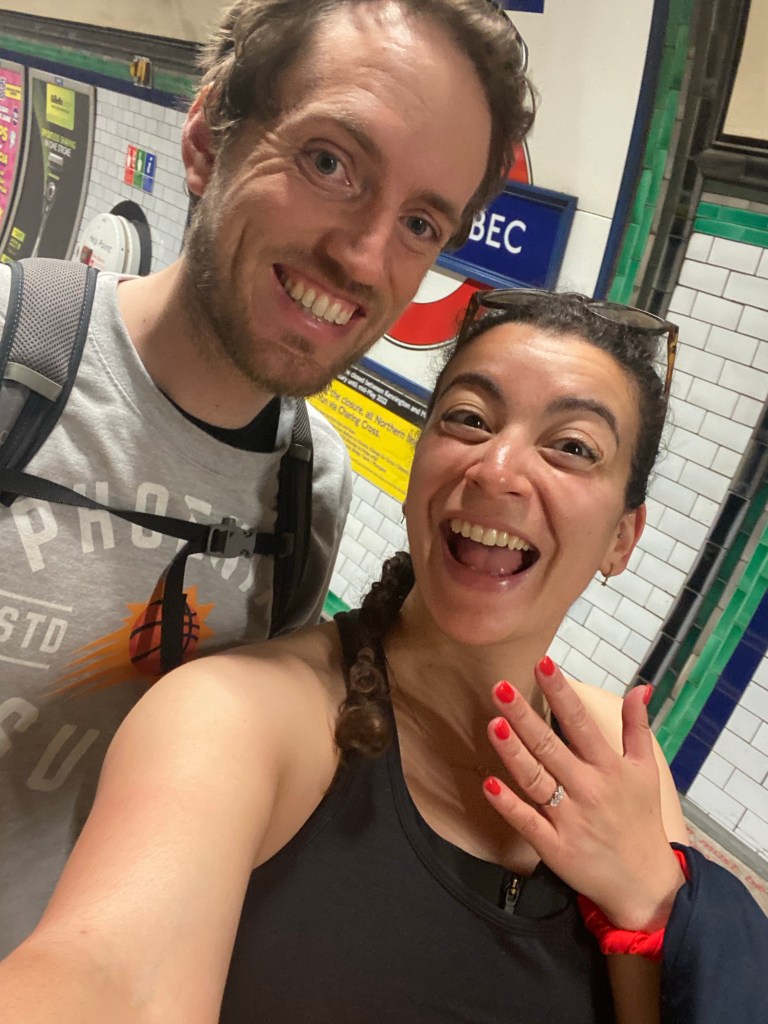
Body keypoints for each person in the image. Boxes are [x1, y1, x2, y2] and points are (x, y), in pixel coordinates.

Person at [3, 288, 767, 1023]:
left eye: (571, 447)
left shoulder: (620, 759)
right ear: (415, 473)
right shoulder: (243, 718)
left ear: (621, 539)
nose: (497, 470)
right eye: (469, 419)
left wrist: (653, 904)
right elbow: (109, 975)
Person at [0, 0, 534, 956]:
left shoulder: (308, 492)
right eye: (330, 163)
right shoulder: (12, 357)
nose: (364, 255)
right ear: (208, 138)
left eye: (419, 221)